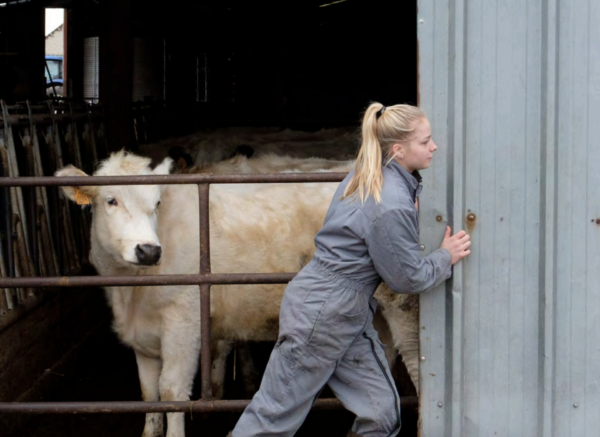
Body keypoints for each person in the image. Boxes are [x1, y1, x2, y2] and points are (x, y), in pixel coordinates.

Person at [228, 102, 471, 437]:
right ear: (398, 150)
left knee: (382, 414)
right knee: (270, 420)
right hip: (324, 314)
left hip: (342, 311)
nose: (434, 146)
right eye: (425, 141)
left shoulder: (368, 176)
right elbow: (406, 278)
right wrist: (445, 256)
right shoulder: (390, 199)